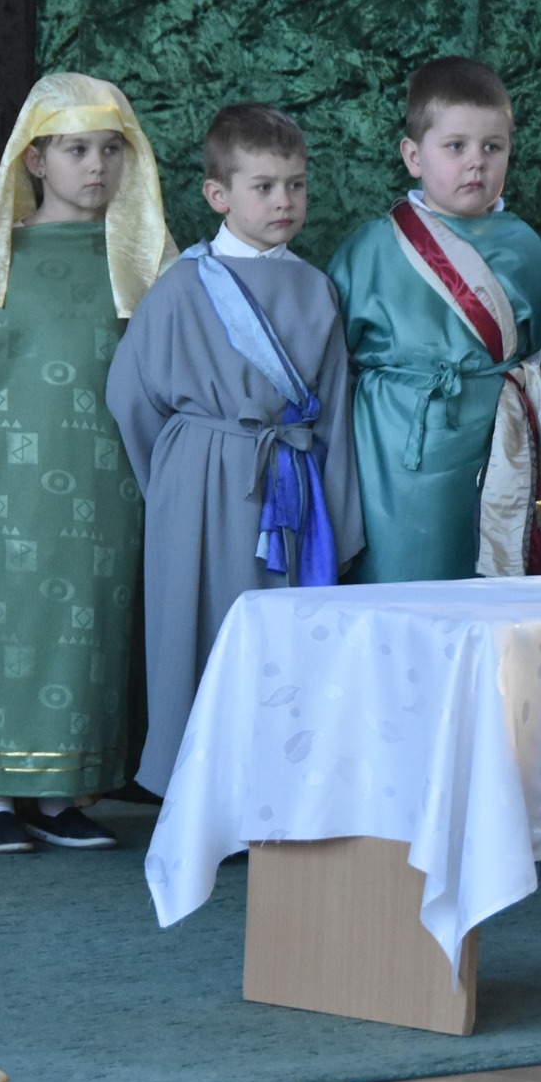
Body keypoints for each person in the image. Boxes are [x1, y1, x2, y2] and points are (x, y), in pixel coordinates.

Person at [0, 73, 177, 854]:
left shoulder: (144, 262)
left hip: (104, 472)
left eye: (111, 149)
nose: (96, 165)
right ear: (35, 160)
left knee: (90, 625)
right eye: (76, 149)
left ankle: (60, 792)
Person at [107, 104, 363, 795]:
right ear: (218, 194)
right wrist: (176, 483)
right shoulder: (181, 286)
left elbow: (335, 408)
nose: (285, 201)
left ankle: (276, 792)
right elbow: (130, 398)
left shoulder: (315, 288)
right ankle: (198, 794)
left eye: (297, 185)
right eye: (265, 186)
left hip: (291, 486)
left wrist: (337, 518)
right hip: (200, 488)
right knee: (201, 631)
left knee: (284, 643)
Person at [325, 57, 541, 583]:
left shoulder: (525, 248)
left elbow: (538, 344)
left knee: (483, 577)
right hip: (389, 447)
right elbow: (333, 355)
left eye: (493, 147)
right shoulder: (371, 248)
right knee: (395, 575)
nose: (476, 163)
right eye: (456, 146)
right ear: (413, 156)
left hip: (494, 439)